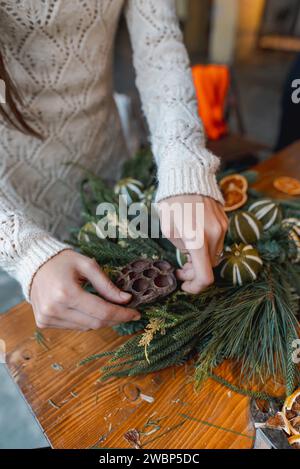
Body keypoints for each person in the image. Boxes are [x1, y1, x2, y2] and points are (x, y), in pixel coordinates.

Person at [0, 0, 227, 331]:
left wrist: (185, 166)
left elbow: (159, 47)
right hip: (11, 202)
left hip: (109, 173)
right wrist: (24, 251)